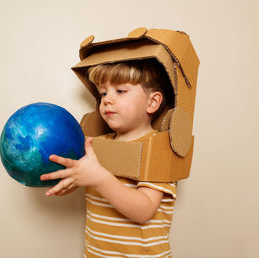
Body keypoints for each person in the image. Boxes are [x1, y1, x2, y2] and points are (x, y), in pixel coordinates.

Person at [40, 59, 177, 257]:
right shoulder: (95, 145)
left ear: (152, 102)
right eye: (103, 93)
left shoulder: (158, 147)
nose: (106, 100)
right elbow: (81, 178)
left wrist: (99, 178)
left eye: (120, 91)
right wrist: (68, 181)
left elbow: (144, 211)